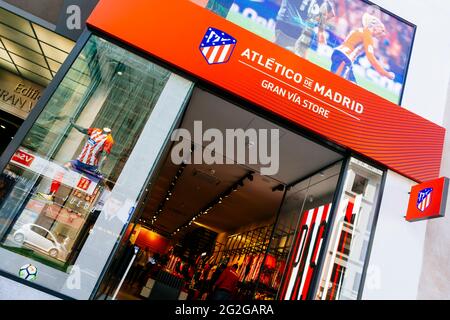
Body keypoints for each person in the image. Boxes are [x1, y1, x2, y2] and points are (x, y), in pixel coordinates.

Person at [330, 12, 395, 83]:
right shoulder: (368, 35)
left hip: (342, 56)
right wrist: (386, 74)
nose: (383, 33)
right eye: (382, 30)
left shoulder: (360, 30)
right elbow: (371, 58)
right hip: (344, 58)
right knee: (336, 84)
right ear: (375, 27)